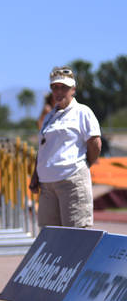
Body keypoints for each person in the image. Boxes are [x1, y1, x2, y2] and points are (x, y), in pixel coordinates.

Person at [29, 66, 101, 228]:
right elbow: (43, 148)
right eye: (55, 87)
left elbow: (95, 143)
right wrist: (35, 175)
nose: (59, 91)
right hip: (47, 185)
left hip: (71, 181)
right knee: (50, 238)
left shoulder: (82, 112)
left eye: (64, 87)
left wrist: (82, 164)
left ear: (73, 89)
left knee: (76, 236)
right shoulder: (48, 117)